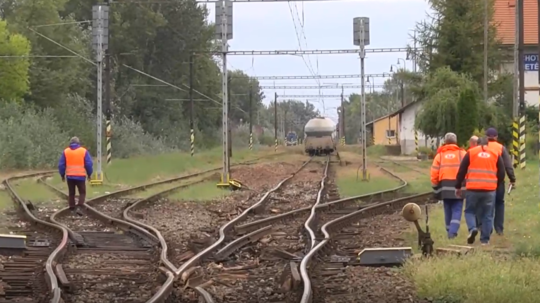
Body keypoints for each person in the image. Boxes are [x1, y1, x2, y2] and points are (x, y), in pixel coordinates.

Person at [454, 137, 505, 245]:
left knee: (470, 211)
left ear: (477, 144)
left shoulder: (471, 153)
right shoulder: (495, 153)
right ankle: (485, 240)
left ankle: (472, 228)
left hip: (473, 189)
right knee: (488, 214)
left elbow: (462, 170)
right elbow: (502, 172)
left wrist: (458, 186)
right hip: (489, 189)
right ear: (488, 144)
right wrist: (496, 183)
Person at [430, 133, 466, 239]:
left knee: (447, 208)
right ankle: (453, 232)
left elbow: (434, 171)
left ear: (445, 142)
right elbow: (468, 168)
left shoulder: (440, 155)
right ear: (456, 142)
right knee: (457, 208)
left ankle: (448, 230)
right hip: (459, 184)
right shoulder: (462, 154)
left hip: (444, 185)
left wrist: (435, 183)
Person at [485, 128, 516, 236]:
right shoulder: (501, 148)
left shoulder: (481, 148)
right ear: (496, 137)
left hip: (484, 182)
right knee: (499, 203)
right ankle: (499, 229)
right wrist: (512, 179)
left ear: (486, 137)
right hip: (498, 182)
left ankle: (486, 230)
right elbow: (508, 166)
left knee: (486, 205)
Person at [58, 137, 93, 214]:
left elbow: (61, 165)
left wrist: (62, 174)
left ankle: (72, 207)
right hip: (80, 176)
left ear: (70, 143)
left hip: (70, 176)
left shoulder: (66, 151)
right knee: (82, 192)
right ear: (78, 143)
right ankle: (80, 207)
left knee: (71, 192)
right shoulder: (83, 151)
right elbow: (89, 164)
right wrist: (89, 174)